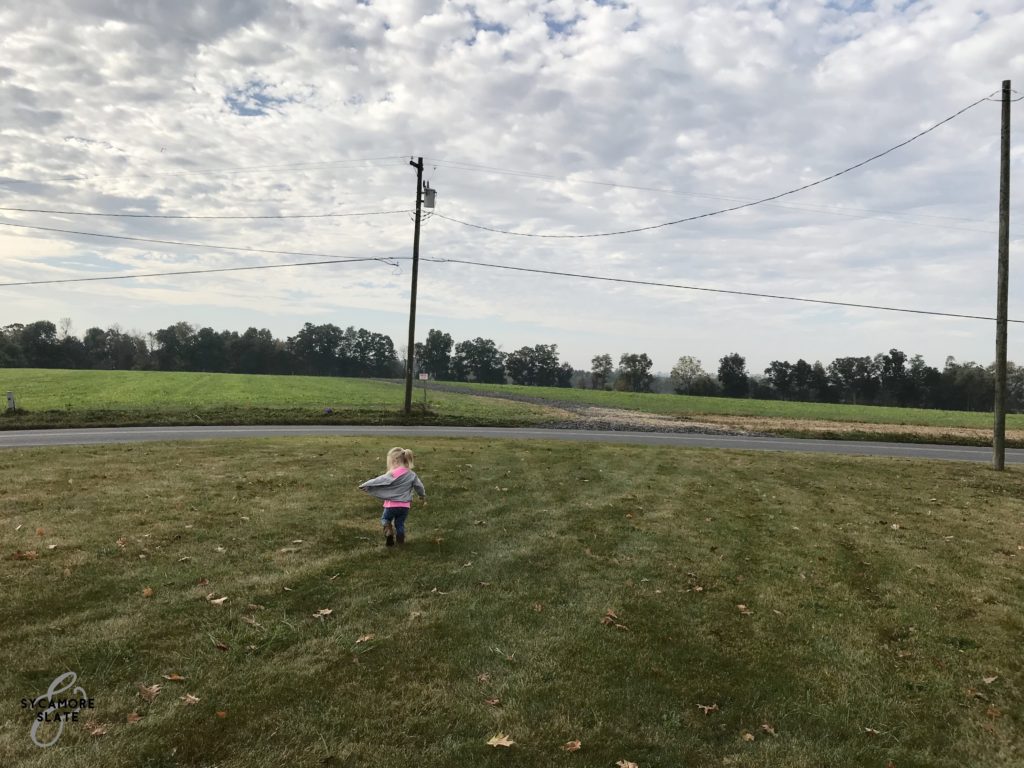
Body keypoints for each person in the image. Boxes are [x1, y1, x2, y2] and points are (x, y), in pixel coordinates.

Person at [358, 447, 427, 547]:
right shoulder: (412, 475)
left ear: (394, 461)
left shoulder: (392, 474)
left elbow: (379, 480)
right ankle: (400, 538)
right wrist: (422, 495)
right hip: (405, 506)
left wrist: (366, 485)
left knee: (385, 519)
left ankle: (389, 531)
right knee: (400, 523)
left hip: (391, 505)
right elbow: (419, 486)